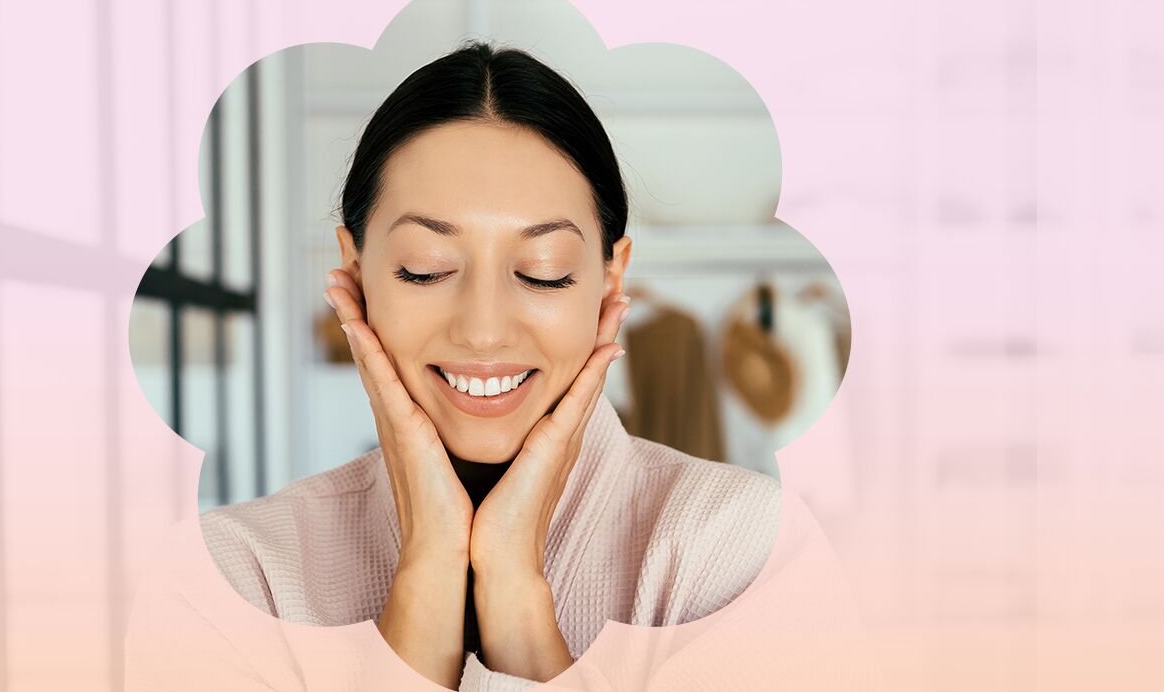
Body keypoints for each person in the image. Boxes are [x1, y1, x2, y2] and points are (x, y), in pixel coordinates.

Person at [196, 41, 784, 691]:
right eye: (426, 267)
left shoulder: (741, 547)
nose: (482, 330)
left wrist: (516, 592)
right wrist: (426, 571)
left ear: (610, 277)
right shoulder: (239, 575)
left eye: (544, 273)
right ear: (356, 269)